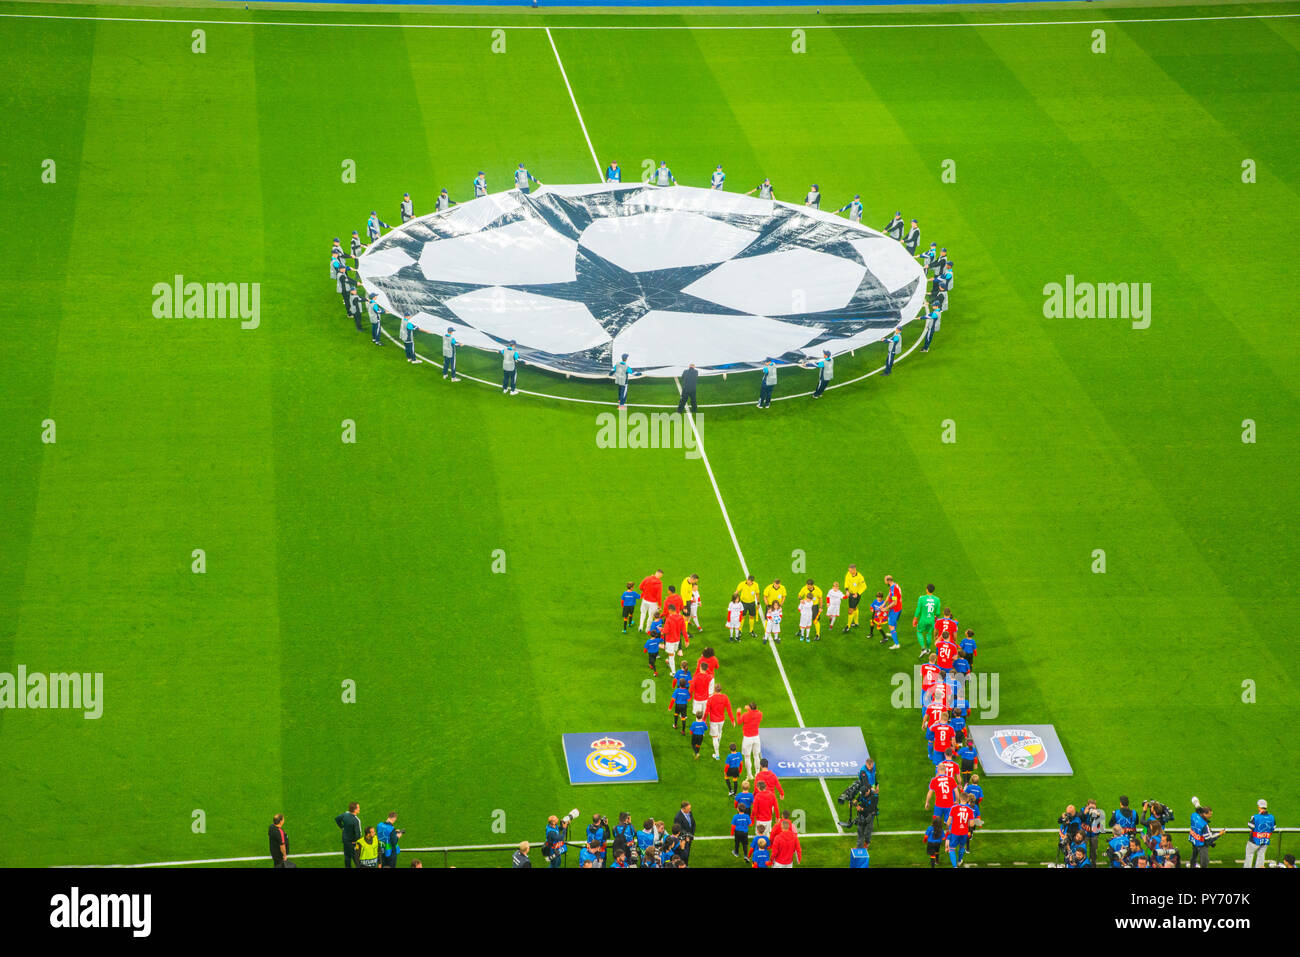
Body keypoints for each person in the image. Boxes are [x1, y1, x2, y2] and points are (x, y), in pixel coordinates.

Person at [1187, 803, 1224, 869]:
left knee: (1193, 858)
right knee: (1204, 862)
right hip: (1202, 845)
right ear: (1205, 814)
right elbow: (1209, 838)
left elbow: (1197, 812)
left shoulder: (1194, 816)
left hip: (1194, 841)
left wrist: (1198, 806)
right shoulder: (1204, 825)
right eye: (1210, 814)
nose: (1211, 816)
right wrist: (1220, 833)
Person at [704, 684, 734, 760]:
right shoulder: (725, 697)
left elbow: (707, 711)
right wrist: (732, 720)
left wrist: (704, 720)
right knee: (720, 732)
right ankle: (717, 744)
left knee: (715, 737)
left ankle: (717, 755)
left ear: (714, 690)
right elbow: (729, 709)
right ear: (721, 690)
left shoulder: (710, 699)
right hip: (721, 720)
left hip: (714, 720)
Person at [1245, 799, 1276, 868]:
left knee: (1249, 856)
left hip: (1253, 841)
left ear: (1259, 807)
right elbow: (1273, 828)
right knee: (1261, 855)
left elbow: (1250, 826)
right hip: (1265, 840)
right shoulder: (1272, 817)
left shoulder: (1255, 817)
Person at [913, 583, 941, 658]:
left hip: (923, 620)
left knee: (919, 632)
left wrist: (915, 619)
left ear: (926, 589)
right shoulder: (937, 599)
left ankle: (923, 649)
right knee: (929, 634)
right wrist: (935, 617)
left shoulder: (921, 598)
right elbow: (938, 613)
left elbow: (918, 610)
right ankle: (928, 649)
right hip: (931, 620)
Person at [947, 797, 975, 867]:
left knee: (952, 848)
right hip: (964, 832)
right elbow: (972, 824)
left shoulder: (954, 808)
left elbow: (949, 821)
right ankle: (959, 861)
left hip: (955, 832)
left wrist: (947, 828)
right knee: (962, 847)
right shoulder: (970, 810)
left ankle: (955, 866)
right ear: (967, 800)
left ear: (960, 799)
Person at [739, 701, 763, 778]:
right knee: (756, 756)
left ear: (749, 708)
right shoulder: (760, 714)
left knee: (747, 757)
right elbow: (755, 713)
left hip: (747, 738)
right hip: (756, 738)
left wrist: (738, 713)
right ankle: (757, 772)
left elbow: (739, 722)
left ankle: (749, 775)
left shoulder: (745, 715)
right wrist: (749, 709)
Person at [335, 802, 362, 868]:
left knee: (347, 857)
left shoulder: (345, 815)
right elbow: (358, 834)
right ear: (355, 810)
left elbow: (337, 819)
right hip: (353, 843)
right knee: (356, 858)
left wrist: (342, 827)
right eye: (358, 808)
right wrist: (357, 842)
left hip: (345, 841)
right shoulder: (356, 820)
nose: (359, 809)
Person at [842, 564, 866, 631]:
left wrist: (858, 593)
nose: (849, 571)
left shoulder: (860, 577)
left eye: (850, 570)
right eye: (849, 570)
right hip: (850, 594)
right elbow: (846, 581)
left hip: (856, 595)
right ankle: (856, 622)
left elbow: (864, 586)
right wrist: (846, 590)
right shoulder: (848, 574)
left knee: (850, 610)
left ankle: (848, 626)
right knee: (855, 608)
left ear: (854, 570)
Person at [883, 575, 903, 645]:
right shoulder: (894, 585)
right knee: (893, 623)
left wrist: (886, 608)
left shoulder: (893, 589)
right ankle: (892, 633)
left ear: (888, 581)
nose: (884, 581)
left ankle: (897, 644)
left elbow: (895, 602)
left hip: (895, 609)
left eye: (885, 580)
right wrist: (884, 603)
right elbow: (889, 595)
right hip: (899, 608)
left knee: (891, 625)